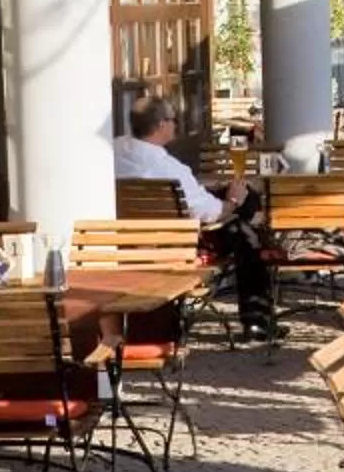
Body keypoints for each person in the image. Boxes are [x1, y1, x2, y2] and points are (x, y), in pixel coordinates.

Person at [111, 92, 274, 334]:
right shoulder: (171, 169)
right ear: (160, 125)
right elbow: (209, 214)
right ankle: (256, 321)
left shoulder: (114, 150)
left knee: (243, 207)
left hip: (127, 239)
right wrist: (232, 201)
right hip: (176, 242)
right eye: (174, 119)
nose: (177, 124)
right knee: (246, 233)